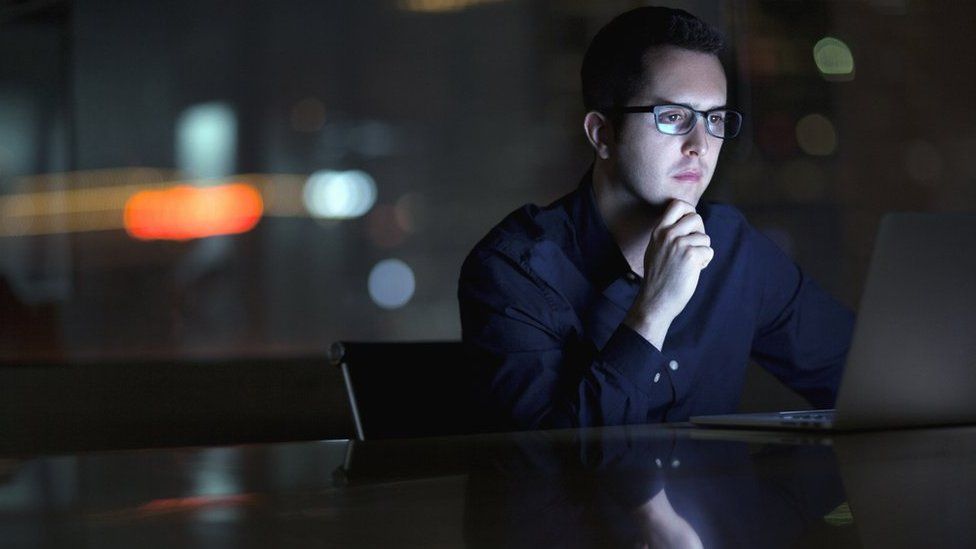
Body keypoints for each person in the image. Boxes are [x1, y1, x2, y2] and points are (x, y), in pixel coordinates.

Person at [458, 6, 854, 431]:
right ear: (602, 133)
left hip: (721, 496)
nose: (700, 145)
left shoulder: (733, 247)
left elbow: (858, 377)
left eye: (714, 119)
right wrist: (654, 310)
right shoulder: (515, 271)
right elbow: (553, 469)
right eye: (672, 117)